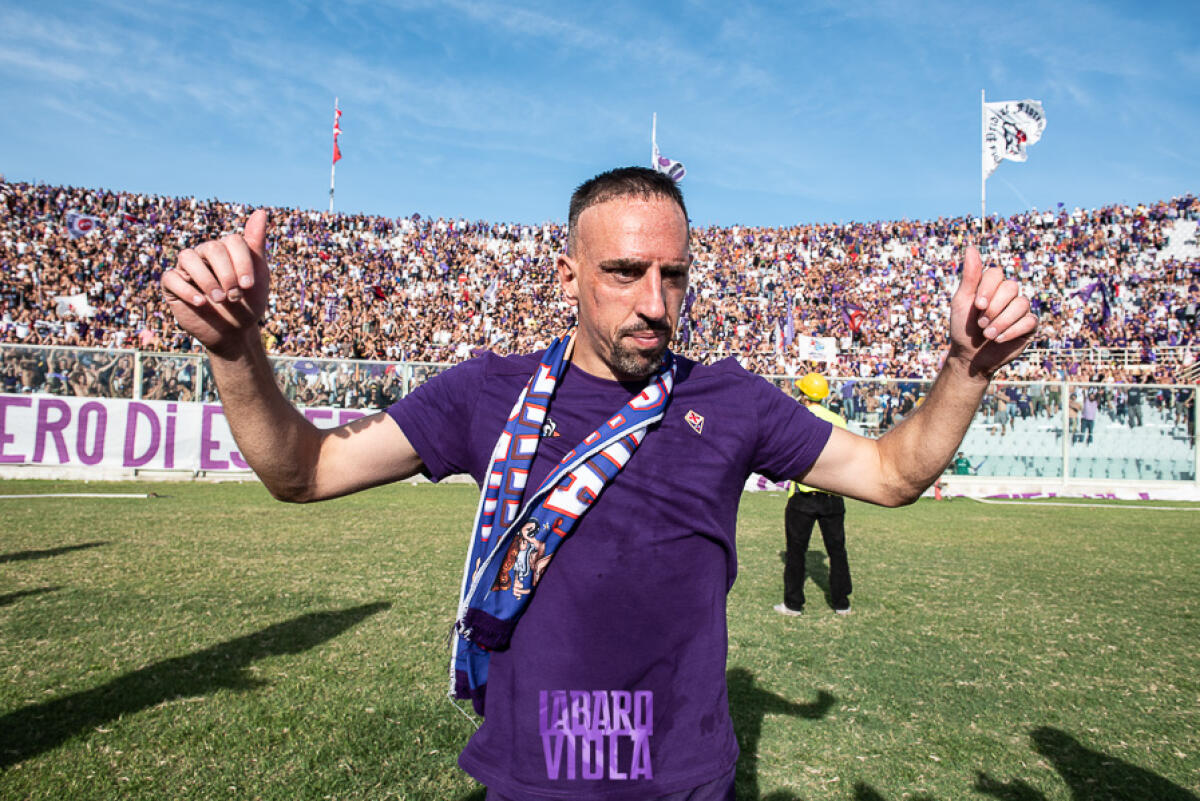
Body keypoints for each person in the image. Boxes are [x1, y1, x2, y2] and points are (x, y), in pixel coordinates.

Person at [161, 167, 1037, 801]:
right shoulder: (486, 391)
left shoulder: (729, 400)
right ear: (569, 274)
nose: (654, 301)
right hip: (535, 777)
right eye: (624, 271)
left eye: (674, 274)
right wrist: (234, 351)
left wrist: (966, 363)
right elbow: (303, 471)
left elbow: (890, 473)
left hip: (685, 780)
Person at [776, 373, 852, 616]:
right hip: (832, 494)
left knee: (796, 552)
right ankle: (842, 603)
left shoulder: (797, 418)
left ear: (804, 395)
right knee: (837, 550)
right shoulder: (838, 420)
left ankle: (793, 604)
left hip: (803, 495)